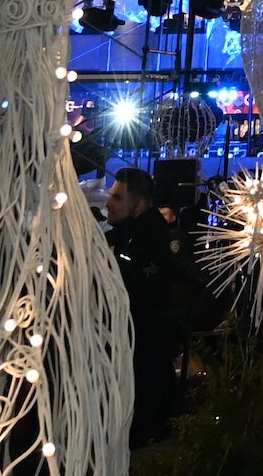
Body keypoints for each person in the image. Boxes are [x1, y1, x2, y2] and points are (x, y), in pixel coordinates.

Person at [106, 167, 178, 446]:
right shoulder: (128, 231)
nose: (109, 204)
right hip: (132, 341)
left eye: (117, 198)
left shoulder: (150, 238)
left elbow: (136, 290)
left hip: (142, 345)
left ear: (139, 204)